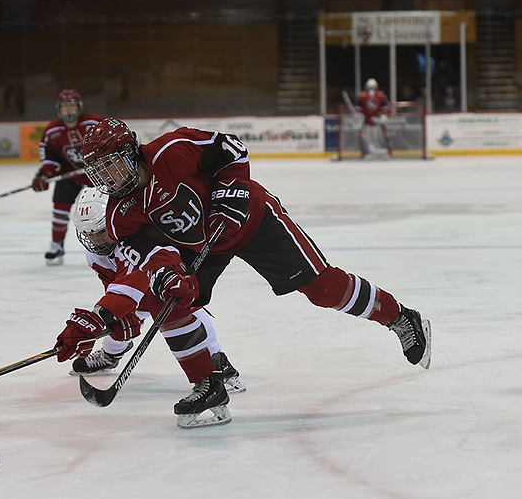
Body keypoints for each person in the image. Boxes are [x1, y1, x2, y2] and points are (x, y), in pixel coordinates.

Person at [60, 117, 432, 427]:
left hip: (251, 220)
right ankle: (209, 387)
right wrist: (170, 275)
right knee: (168, 302)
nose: (108, 178)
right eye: (99, 172)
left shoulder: (172, 149)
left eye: (112, 164)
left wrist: (231, 190)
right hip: (201, 244)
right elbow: (152, 255)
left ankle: (401, 318)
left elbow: (231, 148)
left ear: (131, 152)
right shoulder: (119, 215)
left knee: (323, 290)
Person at [54, 187, 245, 427]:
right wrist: (118, 317)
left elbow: (132, 281)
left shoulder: (132, 241)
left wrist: (103, 314)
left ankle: (217, 362)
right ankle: (111, 356)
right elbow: (112, 283)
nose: (96, 241)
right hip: (130, 294)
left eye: (101, 233)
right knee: (118, 326)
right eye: (89, 235)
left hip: (162, 285)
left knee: (187, 311)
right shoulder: (95, 255)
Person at [31, 89, 104, 265]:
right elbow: (50, 158)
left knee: (107, 210)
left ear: (79, 107)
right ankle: (57, 245)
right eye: (65, 108)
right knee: (60, 208)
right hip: (70, 175)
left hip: (98, 176)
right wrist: (44, 175)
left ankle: (110, 244)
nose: (69, 111)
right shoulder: (52, 131)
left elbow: (111, 144)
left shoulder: (95, 123)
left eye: (72, 107)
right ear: (59, 109)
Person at [355, 78, 391, 160]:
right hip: (366, 124)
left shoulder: (381, 96)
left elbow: (386, 109)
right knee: (364, 139)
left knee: (382, 138)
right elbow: (358, 110)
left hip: (377, 124)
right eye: (370, 87)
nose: (371, 90)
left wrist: (383, 117)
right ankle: (365, 153)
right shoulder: (361, 96)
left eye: (373, 87)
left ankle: (386, 153)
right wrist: (359, 119)